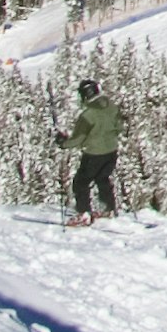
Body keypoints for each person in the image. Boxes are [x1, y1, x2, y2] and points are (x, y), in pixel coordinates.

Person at [67, 80, 123, 224]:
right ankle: (108, 208)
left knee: (81, 182)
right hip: (112, 151)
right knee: (102, 178)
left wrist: (63, 143)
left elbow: (78, 139)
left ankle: (84, 214)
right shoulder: (111, 107)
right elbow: (120, 127)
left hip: (94, 153)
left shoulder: (88, 115)